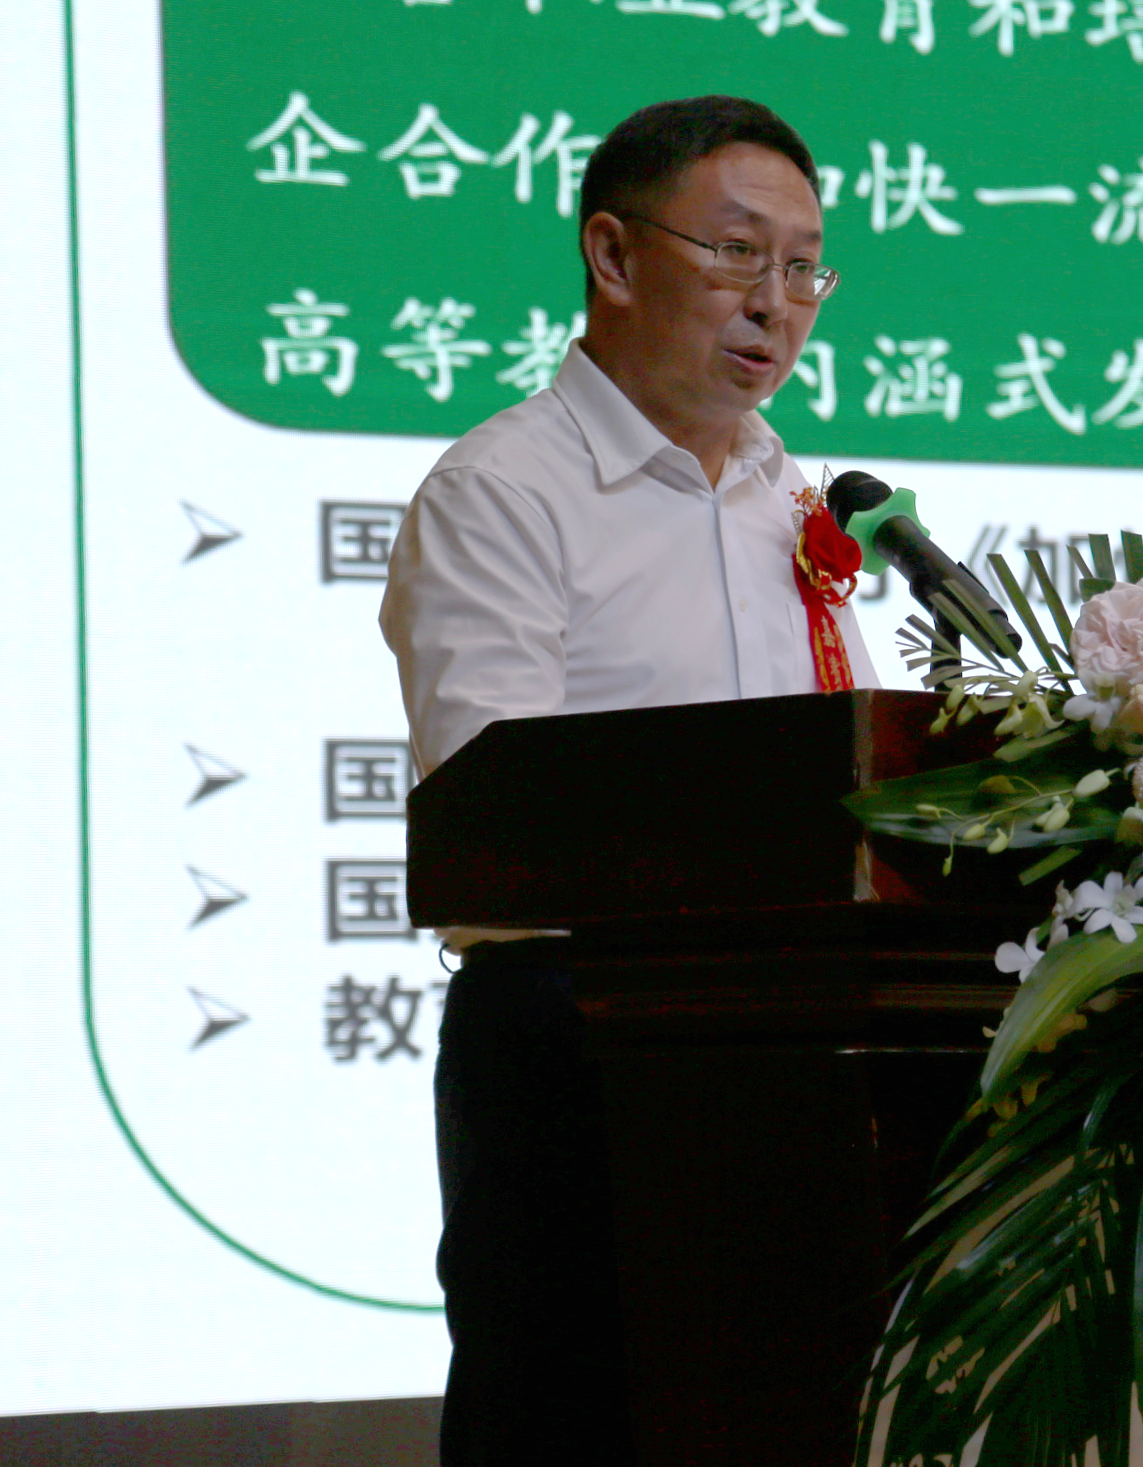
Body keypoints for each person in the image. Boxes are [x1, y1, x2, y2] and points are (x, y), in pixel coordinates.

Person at [378, 95, 870, 1465]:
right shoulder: (505, 490)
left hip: (791, 1044)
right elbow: (502, 807)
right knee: (569, 1427)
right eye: (735, 253)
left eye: (802, 267)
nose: (773, 303)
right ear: (611, 254)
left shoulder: (789, 499)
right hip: (578, 1042)